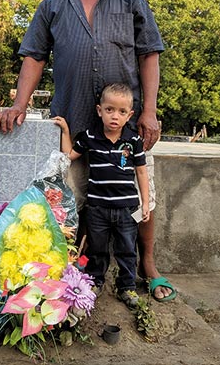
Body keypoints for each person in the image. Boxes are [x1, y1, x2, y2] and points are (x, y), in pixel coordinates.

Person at [0, 0, 176, 301]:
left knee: (141, 198)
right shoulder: (54, 4)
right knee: (67, 201)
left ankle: (148, 264)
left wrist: (150, 112)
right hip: (72, 126)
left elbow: (149, 56)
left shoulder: (131, 1)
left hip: (124, 125)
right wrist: (18, 105)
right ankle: (73, 268)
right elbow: (34, 56)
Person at [53, 83, 149, 309]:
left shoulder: (133, 141)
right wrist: (66, 131)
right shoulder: (90, 136)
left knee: (127, 249)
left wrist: (145, 203)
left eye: (122, 112)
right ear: (99, 110)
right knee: (97, 248)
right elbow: (69, 156)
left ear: (130, 115)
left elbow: (142, 172)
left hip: (127, 209)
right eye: (109, 110)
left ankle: (127, 286)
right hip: (97, 209)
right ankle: (95, 281)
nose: (115, 116)